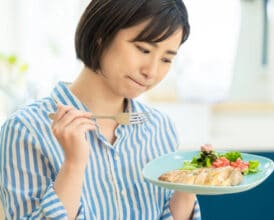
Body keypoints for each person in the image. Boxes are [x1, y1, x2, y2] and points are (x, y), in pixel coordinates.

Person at [0, 0, 201, 219]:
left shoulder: (160, 127)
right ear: (101, 36)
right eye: (143, 49)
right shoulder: (26, 129)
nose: (151, 71)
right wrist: (73, 165)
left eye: (166, 59)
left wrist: (188, 186)